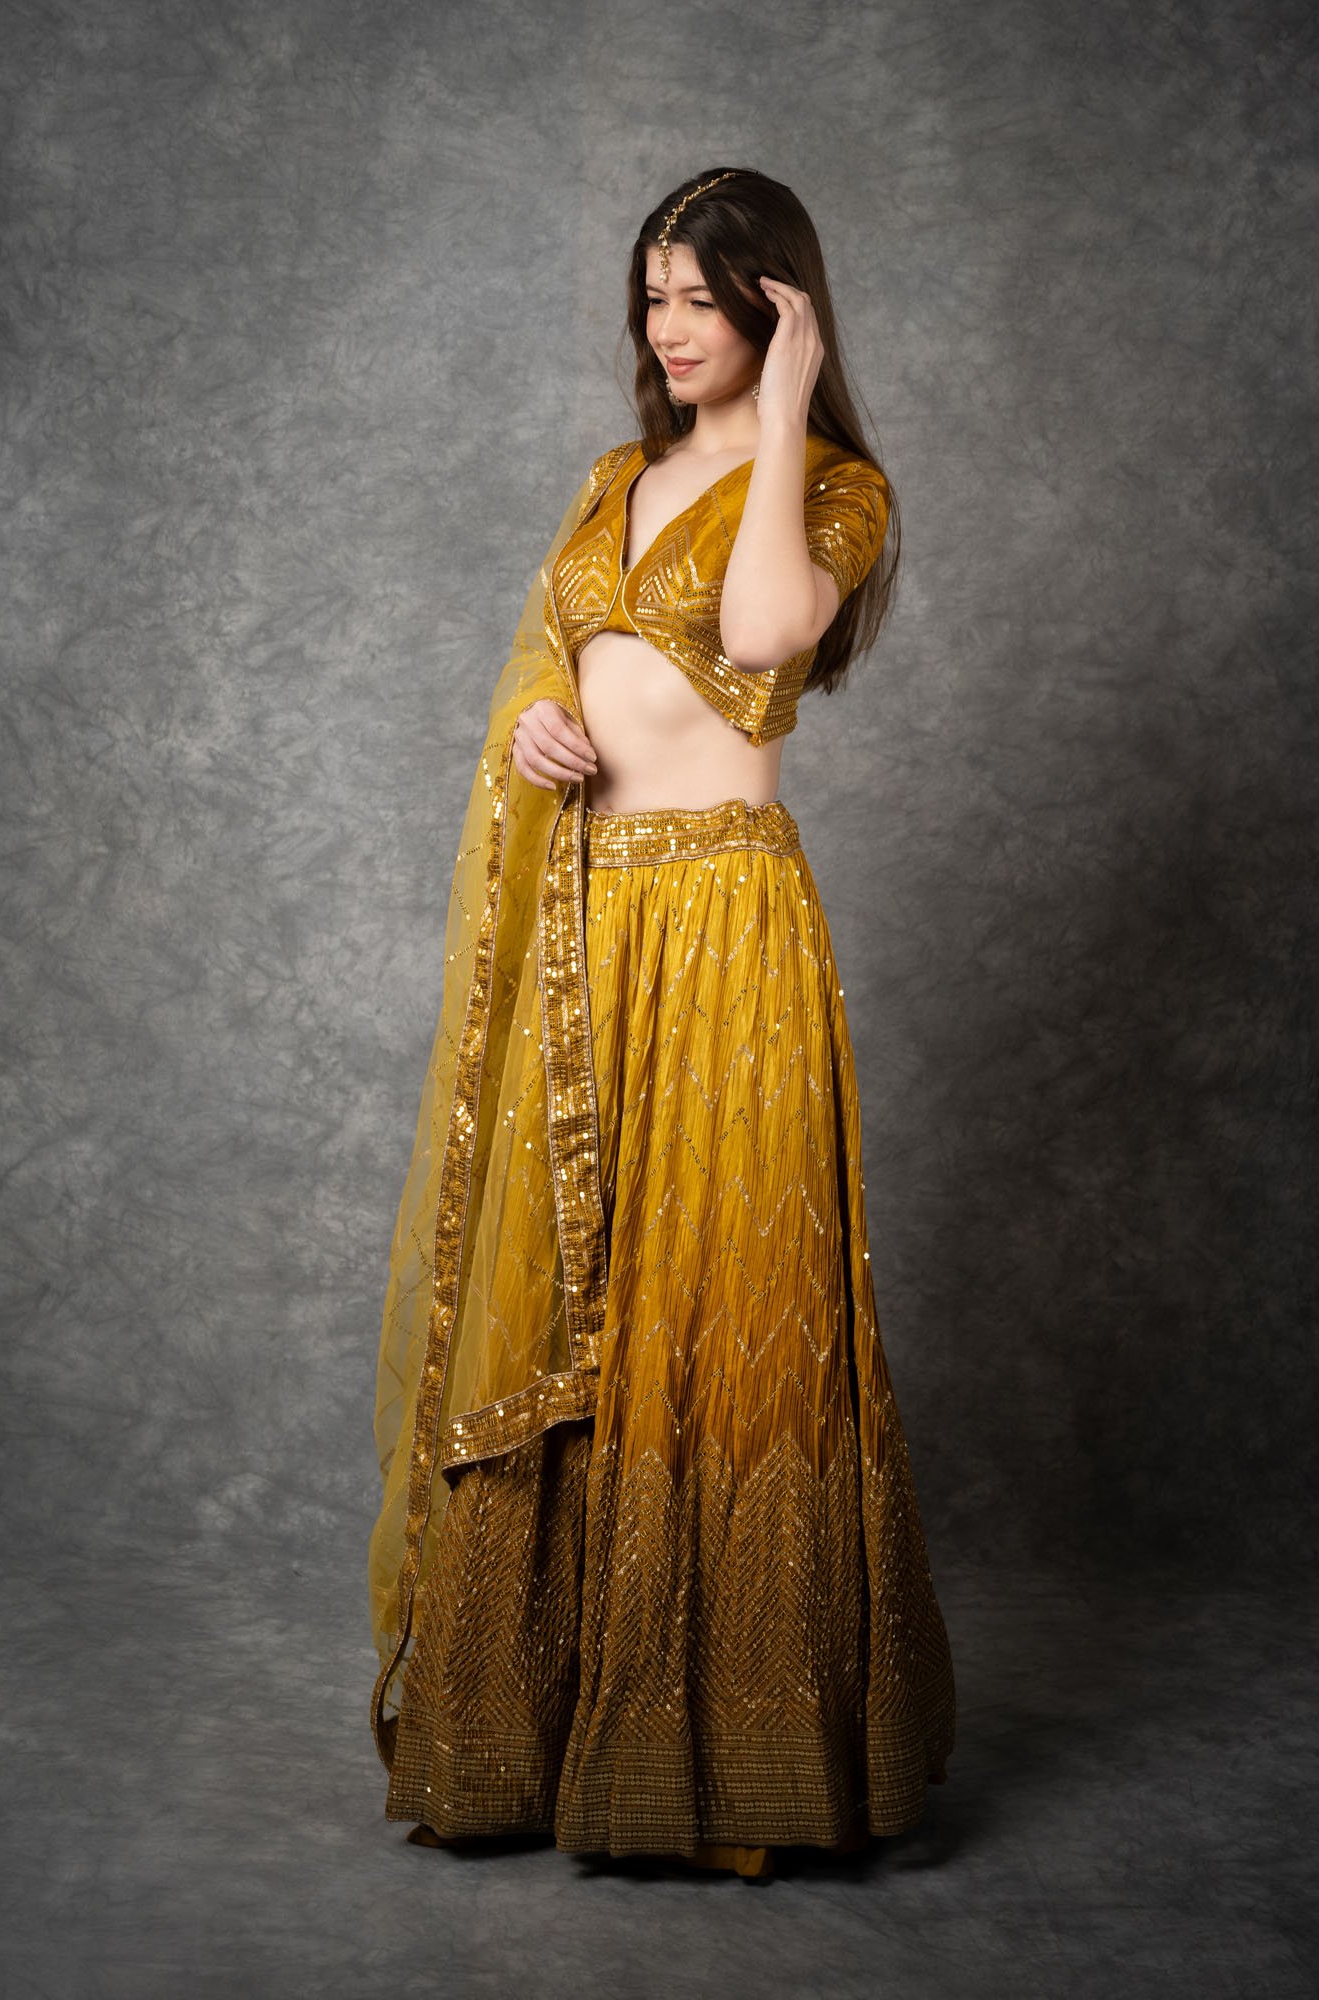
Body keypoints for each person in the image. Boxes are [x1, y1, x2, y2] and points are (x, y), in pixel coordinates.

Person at [368, 167, 956, 1882]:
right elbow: (549, 672)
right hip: (585, 927)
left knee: (720, 1301)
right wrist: (539, 725)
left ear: (777, 306)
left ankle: (721, 1761)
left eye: (705, 298)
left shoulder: (834, 489)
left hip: (722, 925)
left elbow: (765, 633)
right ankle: (523, 1746)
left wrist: (788, 410)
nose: (669, 327)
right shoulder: (609, 482)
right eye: (654, 297)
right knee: (566, 1296)